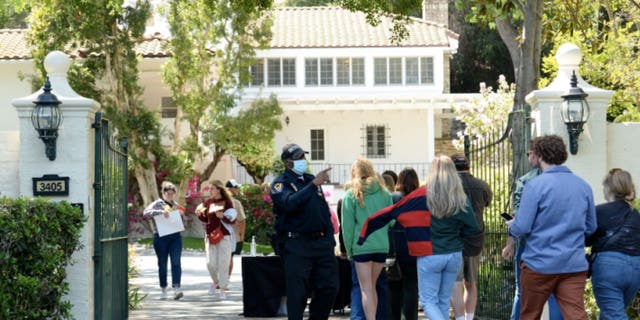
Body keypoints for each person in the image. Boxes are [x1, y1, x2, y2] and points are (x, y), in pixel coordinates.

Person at [358, 155, 479, 320]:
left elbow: (393, 211)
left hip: (429, 254)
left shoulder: (421, 194)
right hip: (454, 255)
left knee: (428, 302)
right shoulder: (459, 196)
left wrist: (365, 232)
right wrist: (458, 235)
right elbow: (473, 227)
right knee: (442, 301)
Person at [508, 135, 596, 319]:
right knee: (575, 314)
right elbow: (591, 227)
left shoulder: (535, 186)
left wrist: (513, 226)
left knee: (530, 314)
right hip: (573, 263)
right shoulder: (583, 186)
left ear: (539, 156)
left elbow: (522, 227)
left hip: (539, 263)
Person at [270, 143, 338, 320]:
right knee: (297, 293)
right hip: (297, 245)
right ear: (287, 163)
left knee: (329, 287)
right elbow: (289, 203)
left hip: (321, 244)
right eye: (298, 158)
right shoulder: (280, 184)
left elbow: (323, 211)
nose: (303, 161)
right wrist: (313, 184)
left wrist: (330, 238)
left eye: (303, 157)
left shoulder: (309, 180)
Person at [501, 146, 563, 320]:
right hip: (555, 243)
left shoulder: (526, 181)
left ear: (536, 156)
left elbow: (518, 218)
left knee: (522, 291)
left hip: (528, 244)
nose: (528, 157)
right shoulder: (563, 181)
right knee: (553, 292)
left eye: (529, 154)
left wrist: (510, 243)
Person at [341, 158, 393, 320]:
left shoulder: (351, 195)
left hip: (361, 247)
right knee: (373, 287)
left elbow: (347, 228)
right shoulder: (384, 192)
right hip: (381, 246)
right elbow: (392, 220)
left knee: (366, 289)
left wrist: (349, 250)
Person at [586, 168, 640, 320]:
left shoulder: (599, 212)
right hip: (636, 268)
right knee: (611, 313)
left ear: (608, 188)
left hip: (609, 267)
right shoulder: (635, 214)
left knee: (613, 315)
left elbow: (585, 238)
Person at [449, 154, 492, 320]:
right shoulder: (482, 185)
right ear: (469, 166)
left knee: (455, 283)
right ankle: (469, 317)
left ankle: (458, 316)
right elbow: (487, 203)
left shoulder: (449, 187)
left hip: (454, 240)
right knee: (471, 283)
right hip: (475, 240)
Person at [142, 181, 186, 300]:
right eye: (167, 193)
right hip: (161, 237)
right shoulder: (157, 204)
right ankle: (164, 289)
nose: (170, 196)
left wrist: (181, 215)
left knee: (176, 262)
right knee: (162, 263)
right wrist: (161, 212)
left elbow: (183, 223)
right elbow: (146, 213)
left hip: (175, 237)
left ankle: (176, 289)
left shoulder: (176, 205)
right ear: (163, 193)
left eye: (172, 194)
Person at [388, 167, 420, 320]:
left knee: (394, 287)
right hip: (414, 247)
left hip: (395, 247)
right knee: (412, 287)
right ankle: (411, 317)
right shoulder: (419, 198)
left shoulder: (392, 198)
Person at [196, 180, 237, 300]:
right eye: (209, 189)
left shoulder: (228, 202)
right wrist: (199, 213)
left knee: (224, 263)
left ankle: (223, 288)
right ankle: (216, 281)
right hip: (210, 236)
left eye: (212, 189)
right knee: (210, 263)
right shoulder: (208, 202)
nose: (210, 191)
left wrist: (223, 216)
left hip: (224, 236)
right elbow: (205, 219)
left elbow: (233, 219)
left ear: (218, 189)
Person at [226, 179, 246, 276]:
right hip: (232, 235)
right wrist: (242, 236)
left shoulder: (218, 201)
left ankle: (223, 279)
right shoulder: (236, 203)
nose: (238, 189)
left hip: (223, 234)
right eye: (236, 187)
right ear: (230, 189)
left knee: (225, 257)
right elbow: (242, 220)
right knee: (229, 257)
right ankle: (225, 280)